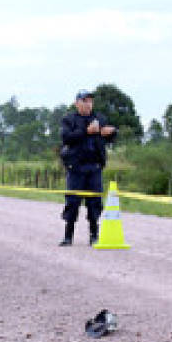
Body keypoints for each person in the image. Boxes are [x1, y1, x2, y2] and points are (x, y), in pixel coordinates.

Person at [59, 90, 117, 246]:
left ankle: (94, 235)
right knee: (73, 201)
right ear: (77, 103)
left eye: (90, 101)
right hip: (76, 167)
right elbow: (66, 138)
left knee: (94, 202)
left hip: (94, 167)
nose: (88, 104)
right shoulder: (69, 119)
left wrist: (111, 133)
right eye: (84, 100)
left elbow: (111, 137)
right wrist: (86, 132)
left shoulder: (100, 118)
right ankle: (68, 236)